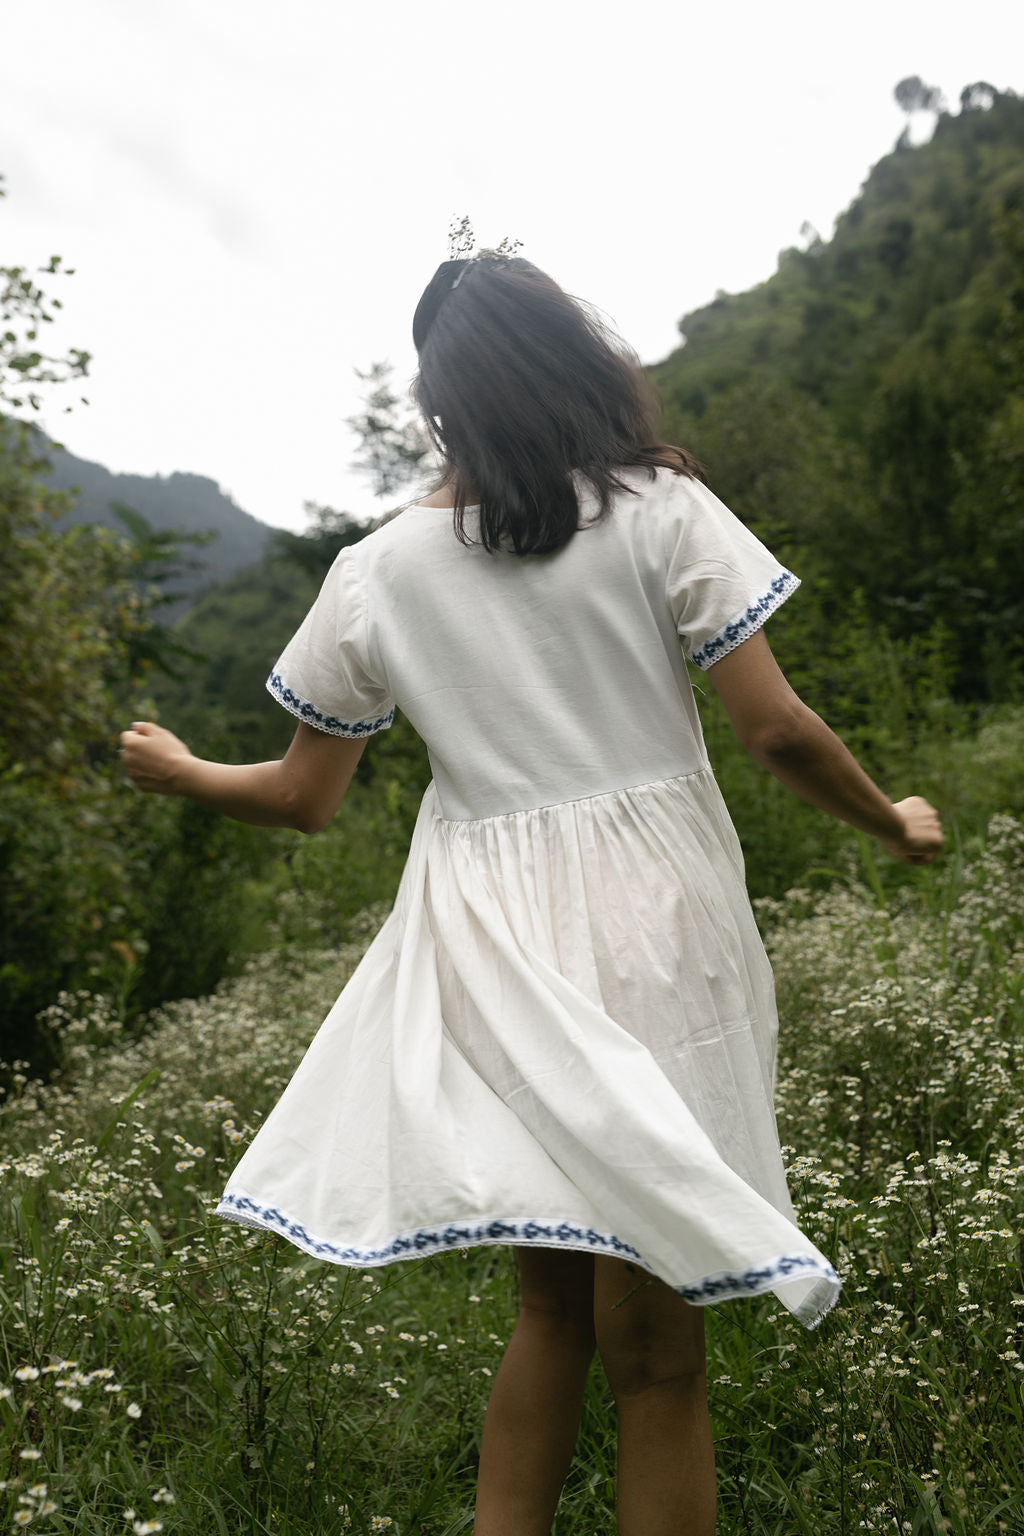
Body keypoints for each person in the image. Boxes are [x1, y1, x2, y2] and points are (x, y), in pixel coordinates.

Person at [120, 252, 943, 1536]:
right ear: (572, 361)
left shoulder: (378, 570)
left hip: (493, 937)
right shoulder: (660, 509)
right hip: (660, 920)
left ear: (436, 402)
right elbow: (775, 731)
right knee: (657, 1347)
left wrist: (181, 770)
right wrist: (889, 818)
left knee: (549, 1307)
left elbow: (302, 795)